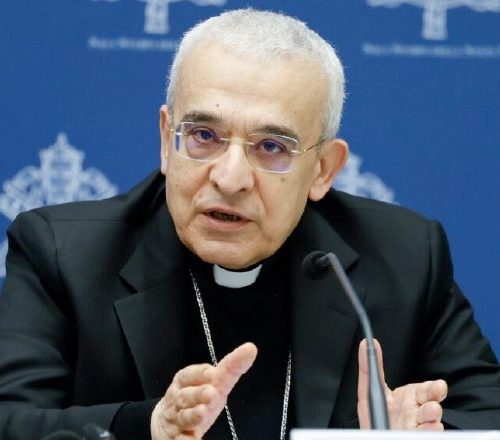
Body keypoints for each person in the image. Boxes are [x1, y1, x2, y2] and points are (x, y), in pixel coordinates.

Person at [1, 8, 499, 440]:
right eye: (203, 135)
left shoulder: (405, 255)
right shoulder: (65, 255)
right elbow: (9, 419)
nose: (231, 177)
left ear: (323, 170)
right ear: (166, 139)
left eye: (271, 147)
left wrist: (416, 434)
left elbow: (487, 413)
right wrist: (148, 427)